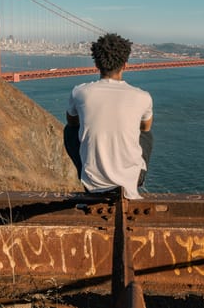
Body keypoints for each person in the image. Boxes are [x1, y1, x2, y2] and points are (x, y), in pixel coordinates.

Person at [64, 33, 153, 199]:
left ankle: (87, 173)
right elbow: (146, 128)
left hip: (92, 182)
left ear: (96, 64)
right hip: (133, 180)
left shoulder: (80, 92)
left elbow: (71, 121)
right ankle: (132, 179)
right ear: (125, 65)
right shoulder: (143, 97)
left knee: (69, 130)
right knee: (146, 135)